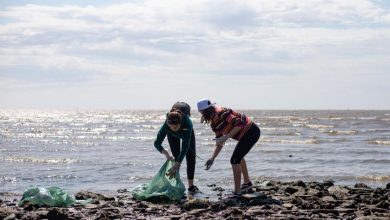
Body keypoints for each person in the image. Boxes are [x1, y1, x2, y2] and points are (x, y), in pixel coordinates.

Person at [197, 98, 260, 199]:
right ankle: (247, 184)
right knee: (238, 157)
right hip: (245, 135)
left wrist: (227, 136)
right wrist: (212, 158)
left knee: (234, 160)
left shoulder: (221, 112)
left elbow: (240, 123)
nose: (203, 115)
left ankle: (237, 192)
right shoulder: (214, 123)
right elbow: (219, 142)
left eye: (202, 112)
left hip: (252, 131)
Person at [154, 102, 200, 194]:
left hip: (185, 133)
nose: (174, 129)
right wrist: (166, 153)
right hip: (172, 136)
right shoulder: (166, 125)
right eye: (172, 127)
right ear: (168, 123)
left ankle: (191, 186)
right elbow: (156, 143)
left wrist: (178, 164)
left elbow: (185, 147)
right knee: (175, 156)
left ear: (180, 123)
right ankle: (175, 185)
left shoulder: (187, 123)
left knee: (191, 157)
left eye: (176, 127)